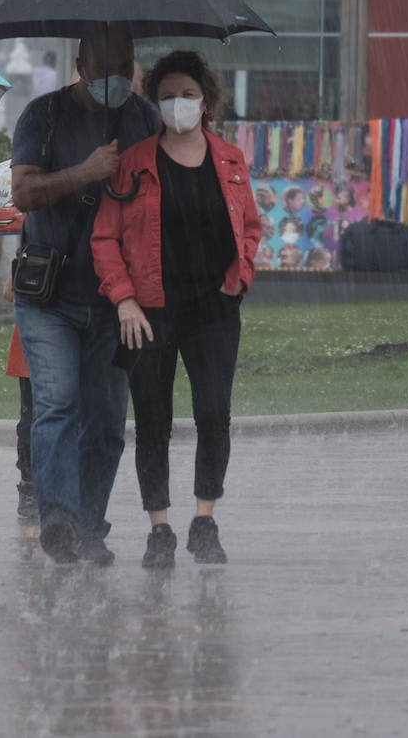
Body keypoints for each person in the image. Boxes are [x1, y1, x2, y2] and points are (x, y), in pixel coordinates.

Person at [91, 50, 260, 568]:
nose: (178, 105)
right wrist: (123, 300)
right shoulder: (134, 161)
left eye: (188, 95)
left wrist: (241, 276)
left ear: (206, 100)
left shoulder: (230, 159)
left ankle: (205, 521)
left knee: (214, 414)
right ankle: (158, 529)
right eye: (167, 96)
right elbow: (105, 237)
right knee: (153, 420)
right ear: (154, 102)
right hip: (150, 313)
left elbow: (250, 227)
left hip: (214, 310)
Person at [10, 26, 159, 565]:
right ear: (81, 64)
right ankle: (60, 523)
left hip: (115, 296)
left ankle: (90, 527)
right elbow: (24, 192)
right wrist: (86, 172)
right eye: (103, 69)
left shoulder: (142, 117)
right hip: (49, 290)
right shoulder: (42, 116)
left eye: (124, 67)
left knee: (107, 420)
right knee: (56, 405)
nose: (113, 80)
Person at [1, 276, 37, 520]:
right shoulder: (34, 242)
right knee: (31, 418)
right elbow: (9, 292)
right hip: (34, 336)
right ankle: (29, 486)